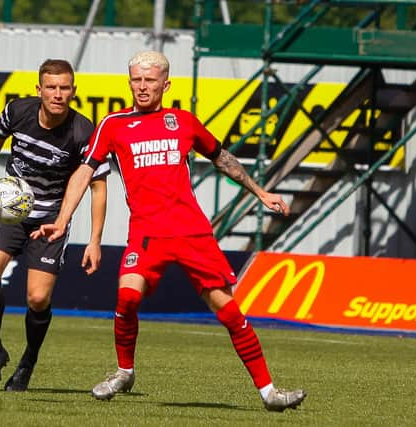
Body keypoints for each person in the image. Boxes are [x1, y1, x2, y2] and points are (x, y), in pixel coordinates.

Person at [32, 51, 306, 411]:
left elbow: (222, 157)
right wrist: (64, 218)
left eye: (149, 80)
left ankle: (269, 393)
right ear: (129, 82)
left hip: (192, 232)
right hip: (146, 233)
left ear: (165, 84)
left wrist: (260, 192)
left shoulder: (183, 122)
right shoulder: (112, 125)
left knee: (228, 311)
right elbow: (85, 172)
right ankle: (124, 371)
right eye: (136, 80)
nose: (142, 87)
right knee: (127, 298)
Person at [0, 59, 109, 391]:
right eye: (51, 87)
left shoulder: (83, 131)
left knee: (37, 299)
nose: (58, 94)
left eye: (64, 88)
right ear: (39, 89)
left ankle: (28, 361)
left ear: (73, 91)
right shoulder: (18, 111)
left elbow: (98, 186)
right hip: (12, 211)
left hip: (51, 220)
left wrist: (95, 239)